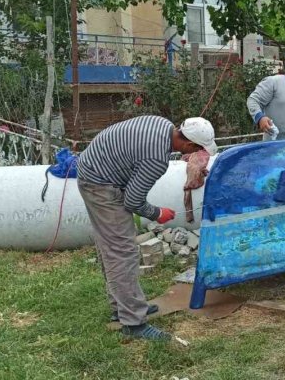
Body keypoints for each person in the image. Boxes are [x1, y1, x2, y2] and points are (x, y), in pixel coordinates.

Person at [77, 115, 217, 341]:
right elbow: (132, 201)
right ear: (189, 144)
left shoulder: (161, 124)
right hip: (100, 185)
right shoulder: (156, 159)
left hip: (94, 169)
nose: (198, 156)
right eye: (199, 151)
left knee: (111, 248)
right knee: (122, 252)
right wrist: (158, 213)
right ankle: (133, 323)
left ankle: (122, 308)